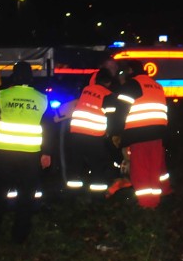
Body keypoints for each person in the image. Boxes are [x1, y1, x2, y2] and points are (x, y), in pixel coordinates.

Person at [0, 61, 52, 248]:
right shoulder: (42, 98)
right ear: (31, 77)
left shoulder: (1, 97)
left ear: (13, 76)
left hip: (4, 154)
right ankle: (19, 237)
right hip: (30, 155)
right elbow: (48, 128)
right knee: (26, 198)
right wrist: (47, 153)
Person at [108, 60, 170, 208]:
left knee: (141, 171)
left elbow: (120, 112)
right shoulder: (157, 85)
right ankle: (161, 198)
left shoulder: (131, 86)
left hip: (138, 134)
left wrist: (116, 133)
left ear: (130, 71)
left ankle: (147, 205)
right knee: (155, 169)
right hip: (158, 134)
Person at [63, 67, 117, 194]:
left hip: (76, 133)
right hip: (94, 136)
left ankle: (73, 196)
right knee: (97, 166)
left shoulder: (86, 90)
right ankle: (97, 197)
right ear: (109, 82)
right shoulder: (108, 95)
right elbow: (111, 117)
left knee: (76, 165)